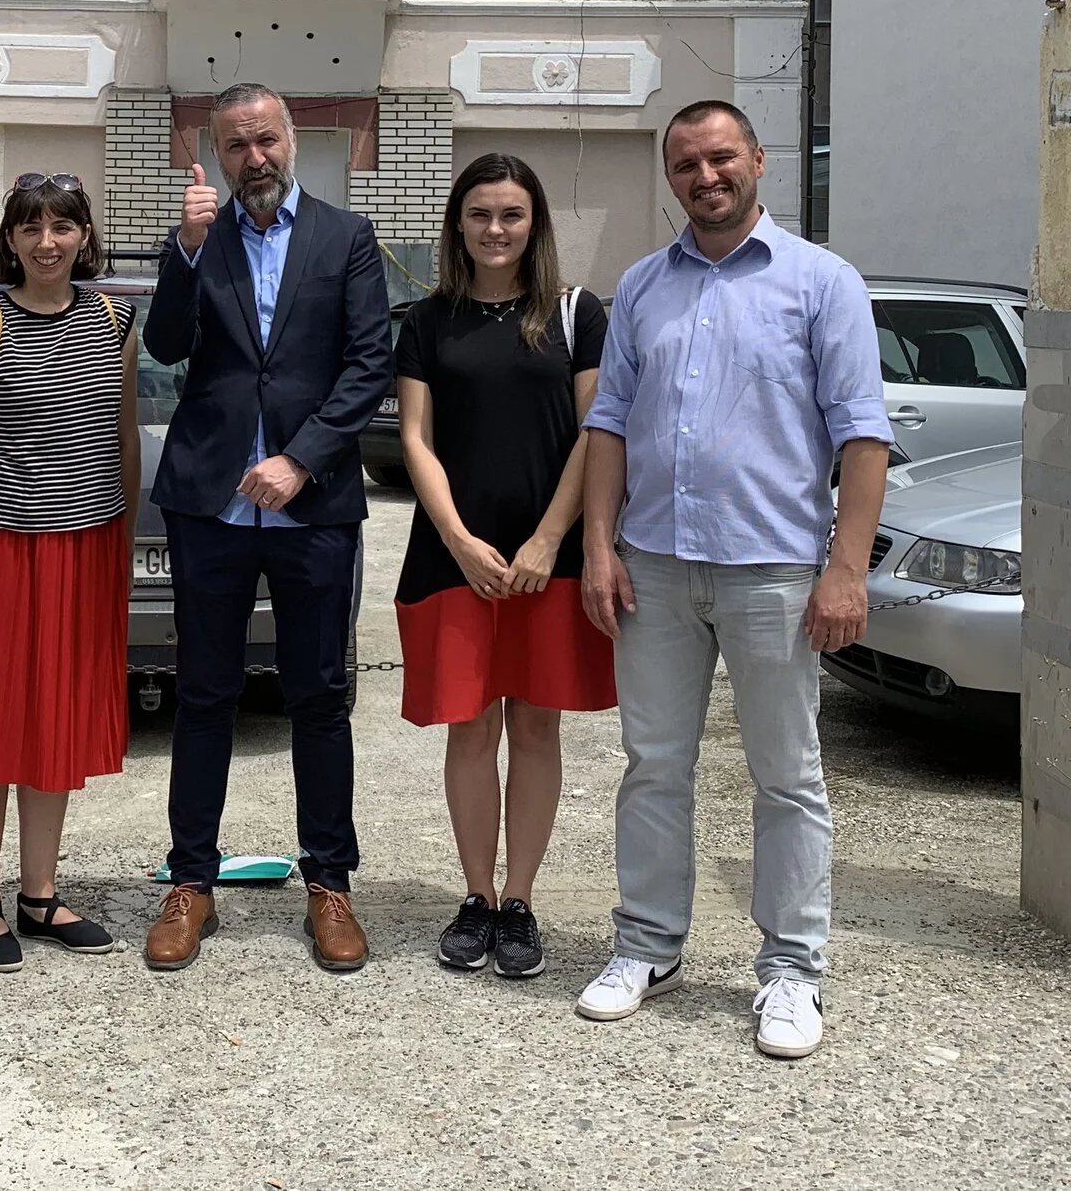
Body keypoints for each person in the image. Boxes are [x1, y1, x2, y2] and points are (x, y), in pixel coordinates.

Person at [573, 100, 891, 1061]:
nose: (705, 177)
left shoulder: (821, 282)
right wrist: (598, 545)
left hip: (775, 572)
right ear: (670, 177)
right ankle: (647, 945)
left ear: (758, 159)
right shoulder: (640, 286)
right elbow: (611, 424)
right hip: (657, 568)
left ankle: (792, 970)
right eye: (685, 165)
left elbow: (862, 433)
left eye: (720, 158)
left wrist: (846, 568)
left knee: (786, 776)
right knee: (654, 764)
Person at [141, 84, 392, 975]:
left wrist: (303, 458)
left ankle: (330, 883)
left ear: (292, 144)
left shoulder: (345, 238)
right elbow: (167, 345)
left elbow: (369, 363)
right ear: (217, 154)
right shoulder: (199, 241)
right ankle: (191, 883)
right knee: (203, 695)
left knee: (319, 696)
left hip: (310, 505)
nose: (254, 157)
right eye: (236, 144)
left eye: (267, 140)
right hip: (212, 504)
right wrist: (183, 248)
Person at [395, 153, 615, 982]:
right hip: (455, 555)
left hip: (541, 560)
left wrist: (549, 539)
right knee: (470, 723)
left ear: (536, 224)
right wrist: (455, 537)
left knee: (534, 723)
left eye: (512, 215)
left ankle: (520, 900)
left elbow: (597, 430)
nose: (495, 228)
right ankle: (477, 895)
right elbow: (414, 437)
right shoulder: (427, 319)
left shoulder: (574, 313)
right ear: (458, 222)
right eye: (480, 213)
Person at [0, 174, 137, 972]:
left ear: (85, 235)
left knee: (55, 726)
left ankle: (40, 893)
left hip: (85, 547)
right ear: (9, 240)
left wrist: (118, 545)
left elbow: (121, 439)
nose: (47, 241)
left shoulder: (116, 318)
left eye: (63, 225)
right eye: (31, 227)